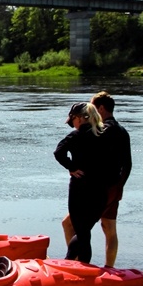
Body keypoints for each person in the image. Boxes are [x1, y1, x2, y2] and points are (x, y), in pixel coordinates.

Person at [61, 92, 132, 267]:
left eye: (92, 108)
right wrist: (120, 188)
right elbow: (128, 164)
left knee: (73, 226)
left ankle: (77, 264)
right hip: (115, 186)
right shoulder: (123, 131)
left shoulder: (101, 130)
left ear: (100, 108)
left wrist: (73, 167)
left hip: (98, 187)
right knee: (110, 230)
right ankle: (110, 269)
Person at [54, 102, 109, 263]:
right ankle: (78, 265)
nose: (72, 123)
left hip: (80, 188)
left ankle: (70, 262)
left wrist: (71, 167)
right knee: (85, 232)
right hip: (100, 189)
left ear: (80, 118)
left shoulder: (76, 135)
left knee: (82, 232)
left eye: (73, 119)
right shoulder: (104, 134)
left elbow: (58, 152)